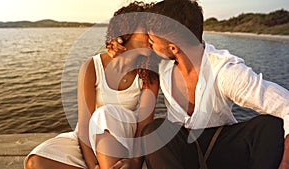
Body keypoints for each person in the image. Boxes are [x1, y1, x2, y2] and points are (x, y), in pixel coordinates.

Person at [108, 0, 289, 169]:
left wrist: (286, 162)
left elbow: (286, 105)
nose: (149, 44)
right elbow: (132, 55)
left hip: (223, 149)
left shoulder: (225, 71)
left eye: (153, 41)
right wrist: (117, 43)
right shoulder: (161, 63)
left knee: (269, 126)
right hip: (183, 153)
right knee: (154, 130)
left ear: (173, 48)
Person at [24, 2, 159, 169]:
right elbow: (85, 123)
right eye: (146, 29)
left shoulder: (148, 73)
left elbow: (144, 125)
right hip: (91, 134)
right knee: (37, 161)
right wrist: (91, 163)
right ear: (126, 32)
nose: (153, 35)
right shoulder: (92, 67)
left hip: (125, 134)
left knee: (105, 114)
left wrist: (135, 161)